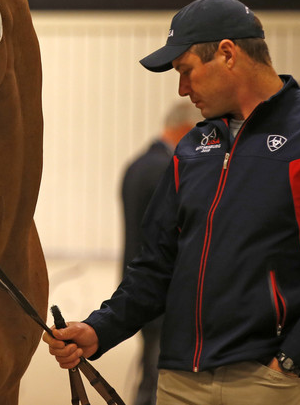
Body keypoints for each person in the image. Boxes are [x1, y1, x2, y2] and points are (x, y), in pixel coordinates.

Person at [43, 0, 300, 405]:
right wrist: (100, 328)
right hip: (178, 381)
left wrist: (292, 359)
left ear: (227, 54)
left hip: (269, 383)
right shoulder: (193, 147)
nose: (181, 88)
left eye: (185, 71)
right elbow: (156, 265)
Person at [121, 102, 201, 405]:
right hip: (160, 292)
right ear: (186, 129)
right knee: (158, 382)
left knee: (150, 376)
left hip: (140, 286)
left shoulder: (138, 163)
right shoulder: (163, 169)